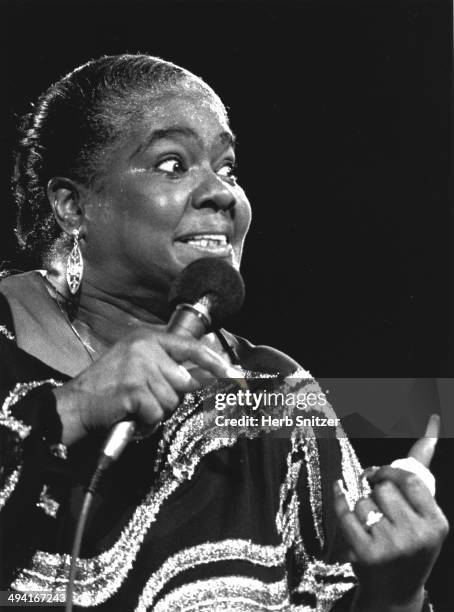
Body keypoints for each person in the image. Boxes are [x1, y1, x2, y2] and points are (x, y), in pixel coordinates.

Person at [0, 54, 448, 611]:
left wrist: (395, 594)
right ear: (73, 205)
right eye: (172, 164)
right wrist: (69, 409)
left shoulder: (272, 396)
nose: (223, 194)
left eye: (228, 168)